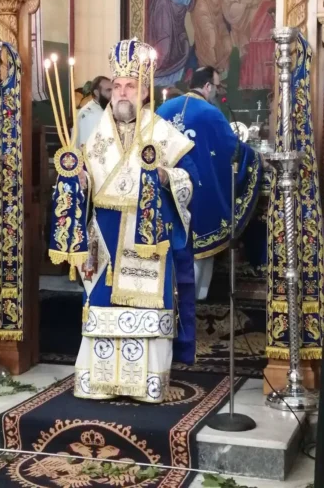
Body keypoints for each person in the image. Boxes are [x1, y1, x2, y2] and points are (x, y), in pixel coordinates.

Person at [74, 38, 196, 404]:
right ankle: (98, 383)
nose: (122, 92)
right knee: (102, 306)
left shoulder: (162, 132)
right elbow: (88, 181)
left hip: (147, 237)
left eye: (130, 86)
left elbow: (191, 180)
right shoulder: (97, 134)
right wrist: (80, 182)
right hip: (105, 237)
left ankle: (146, 385)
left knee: (147, 307)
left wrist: (166, 177)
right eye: (117, 86)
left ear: (144, 92)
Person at [157, 66, 262, 301]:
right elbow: (232, 148)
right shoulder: (210, 113)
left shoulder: (163, 109)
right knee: (200, 246)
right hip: (199, 191)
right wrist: (255, 157)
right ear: (207, 86)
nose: (216, 91)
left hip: (166, 190)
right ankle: (195, 302)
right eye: (216, 86)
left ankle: (169, 299)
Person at [148, 0, 205, 87]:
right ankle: (155, 83)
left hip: (176, 14)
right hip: (164, 12)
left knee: (179, 46)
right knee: (165, 47)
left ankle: (171, 84)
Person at [76, 75, 112, 148]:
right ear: (97, 93)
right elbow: (87, 146)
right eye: (108, 90)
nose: (112, 93)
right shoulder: (92, 114)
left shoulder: (96, 107)